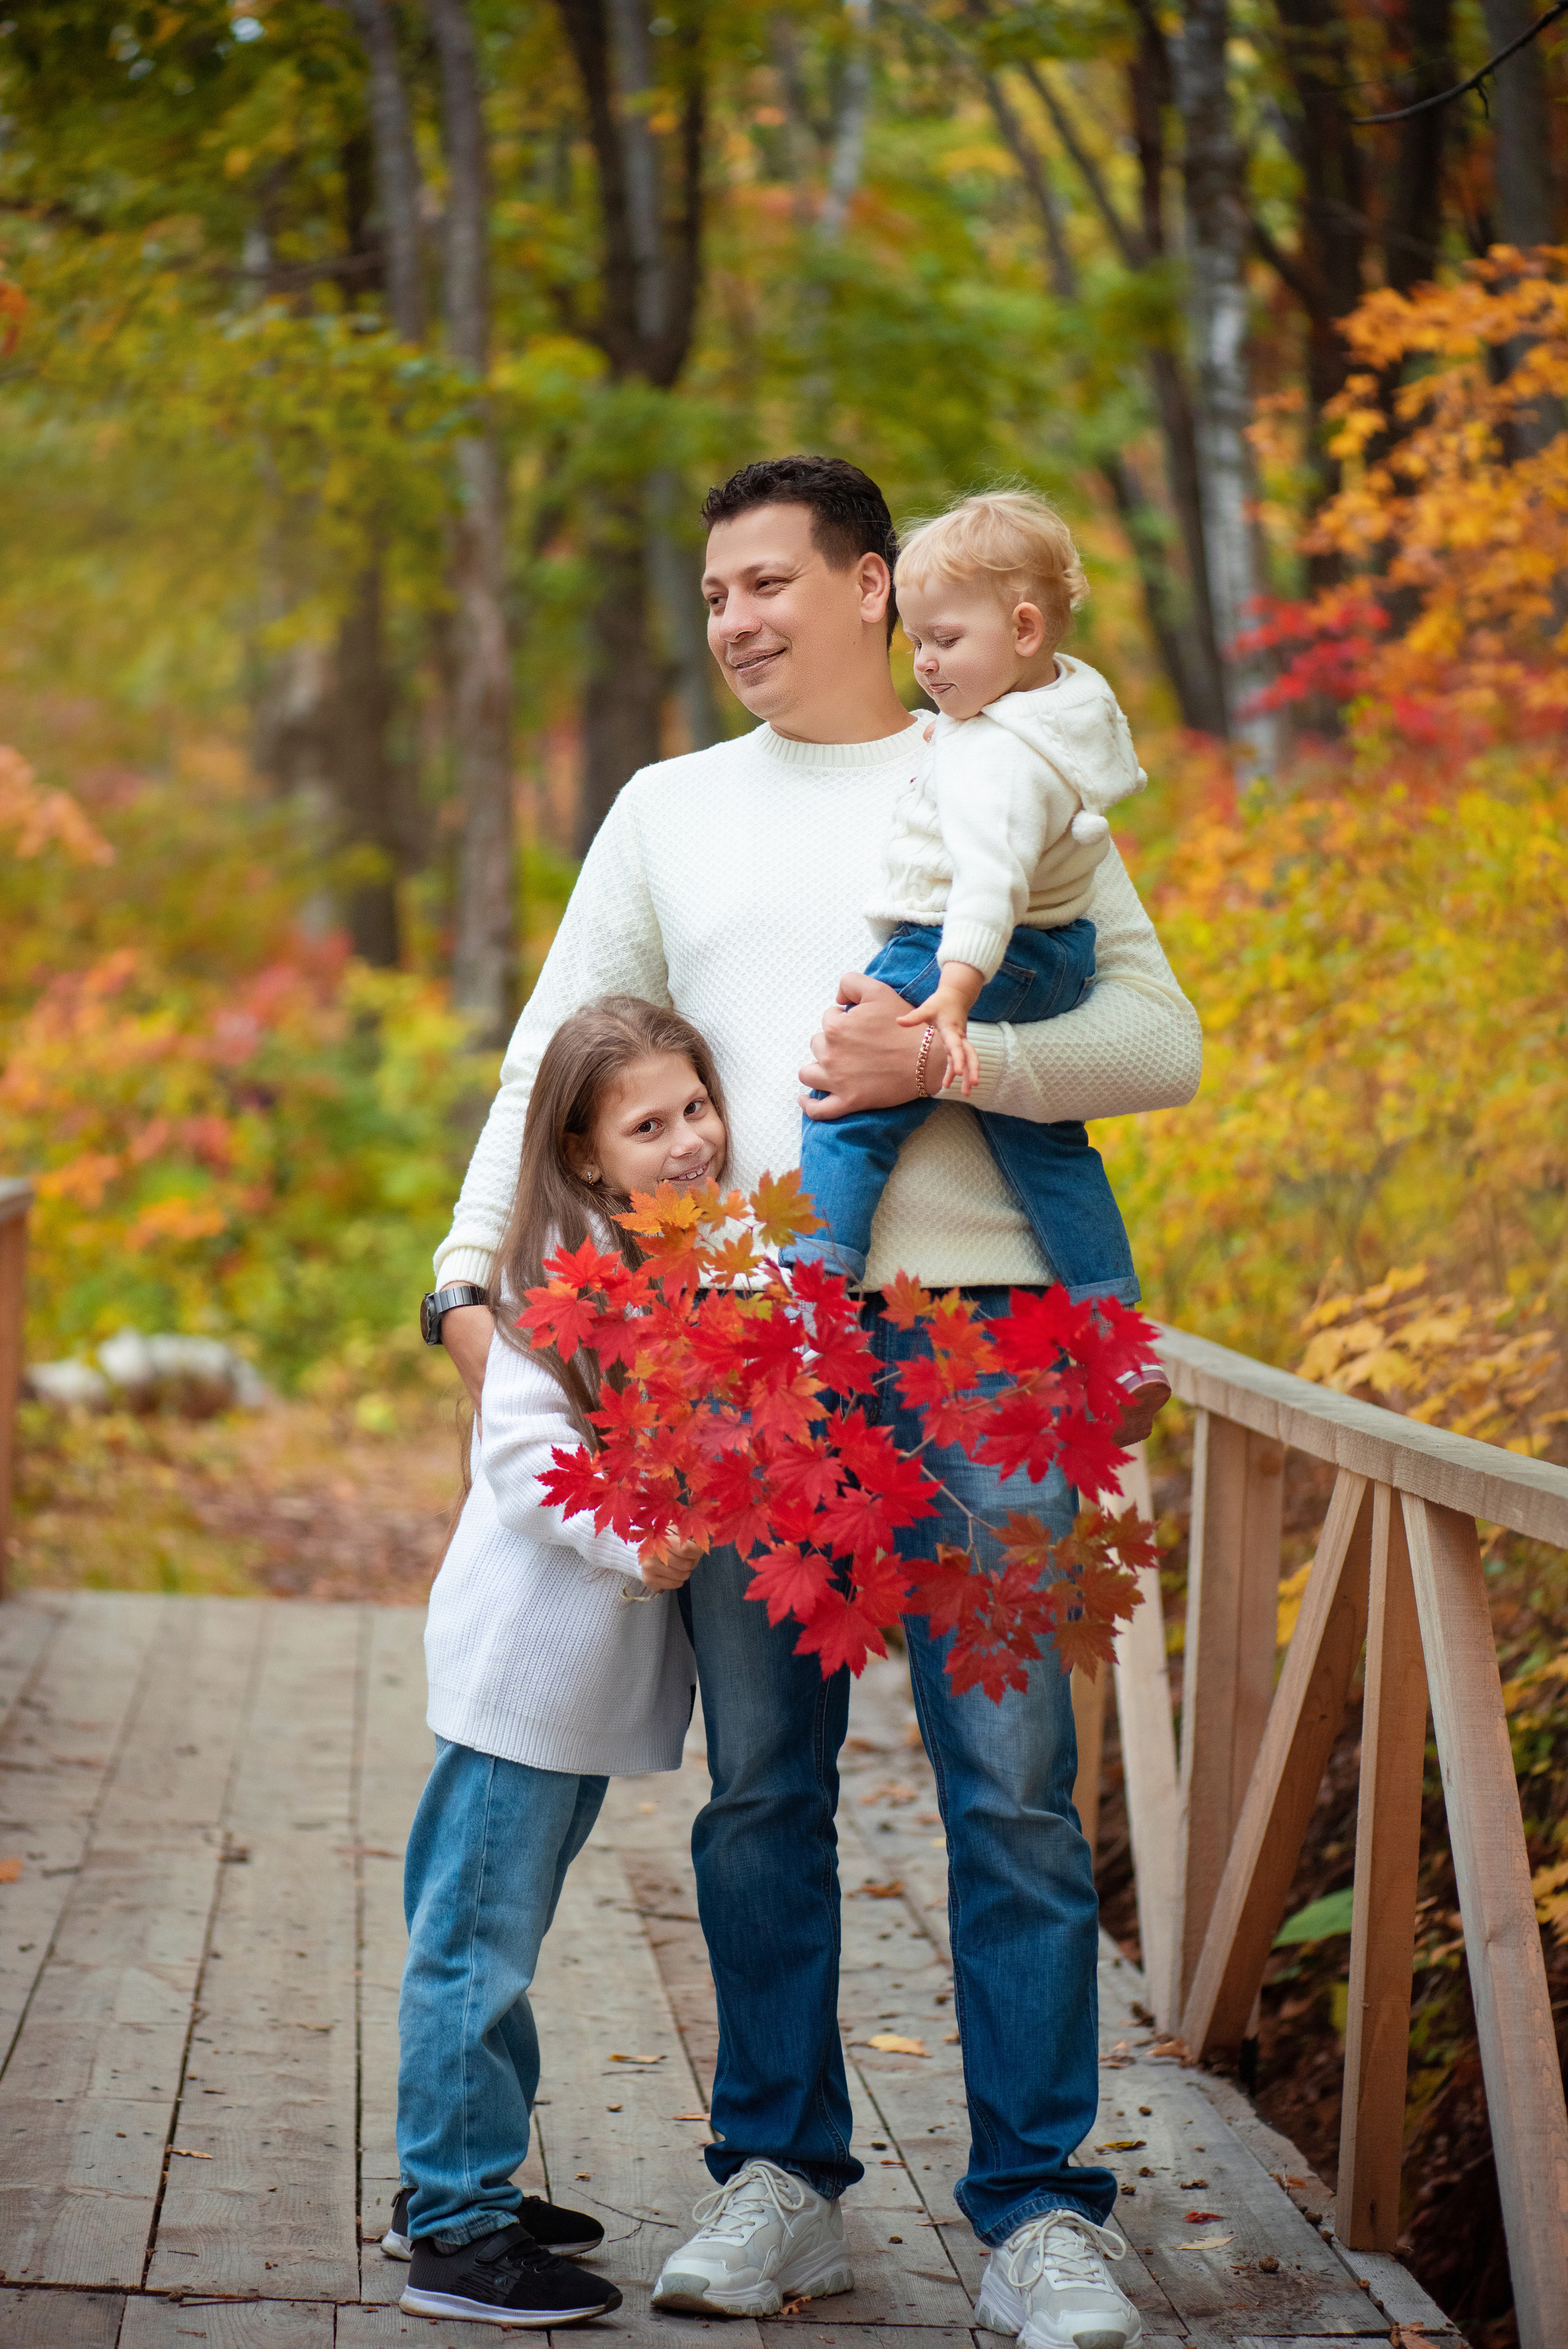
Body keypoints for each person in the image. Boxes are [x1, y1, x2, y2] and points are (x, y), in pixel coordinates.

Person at [427, 456, 1202, 2349]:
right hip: (749, 1355)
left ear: (875, 585)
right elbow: (554, 1055)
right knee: (759, 1784)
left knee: (1013, 1789)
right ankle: (785, 2175)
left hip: (995, 1348)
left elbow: (1156, 1041)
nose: (738, 621)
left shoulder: (1009, 771)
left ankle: (1038, 2212)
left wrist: (948, 1048)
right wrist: (460, 1277)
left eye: (770, 582)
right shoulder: (668, 810)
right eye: (712, 595)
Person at [394, 996, 725, 2330]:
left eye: (696, 1105)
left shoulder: (699, 1263)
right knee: (472, 1950)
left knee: (496, 1942)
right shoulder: (563, 1274)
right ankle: (454, 2233)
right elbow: (523, 1448)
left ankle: (454, 2183)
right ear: (585, 1155)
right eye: (648, 1124)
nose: (687, 1138)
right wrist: (633, 1538)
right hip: (519, 1676)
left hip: (575, 1693)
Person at [793, 490, 1149, 1329]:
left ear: (1024, 632)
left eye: (946, 641)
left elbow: (987, 881)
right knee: (1046, 1143)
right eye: (917, 642)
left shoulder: (995, 757)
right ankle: (1111, 1319)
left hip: (960, 946)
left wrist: (952, 990)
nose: (923, 663)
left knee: (845, 1100)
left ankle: (809, 1293)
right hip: (1060, 953)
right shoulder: (1064, 706)